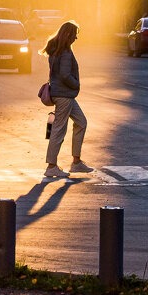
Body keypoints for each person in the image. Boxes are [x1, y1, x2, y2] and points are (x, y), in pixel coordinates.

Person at [42, 20, 93, 178]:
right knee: (59, 129)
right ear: (69, 34)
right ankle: (51, 166)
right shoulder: (64, 52)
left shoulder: (56, 49)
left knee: (81, 122)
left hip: (65, 95)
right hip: (64, 95)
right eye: (75, 35)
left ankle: (76, 162)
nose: (76, 38)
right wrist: (76, 84)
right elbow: (65, 75)